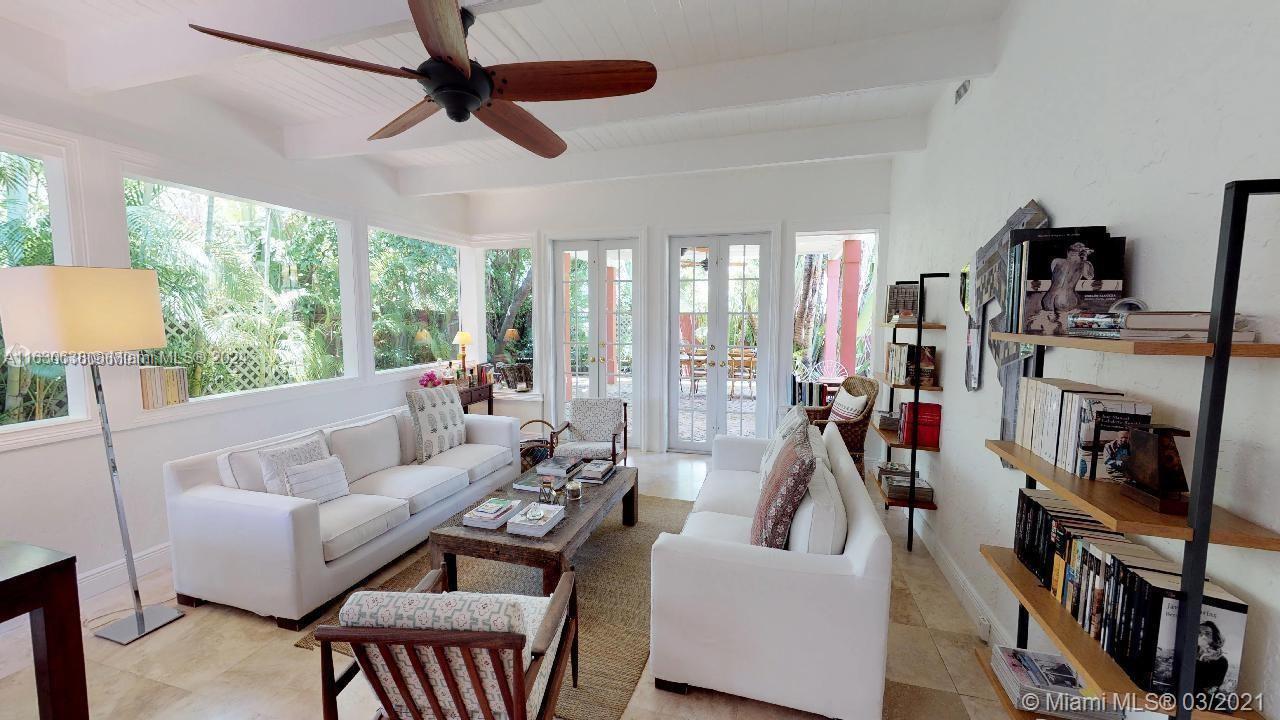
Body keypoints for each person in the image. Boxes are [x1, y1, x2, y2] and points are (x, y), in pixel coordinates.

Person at [1196, 621, 1230, 697]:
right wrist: (1201, 658)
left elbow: (1212, 690)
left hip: (1205, 702)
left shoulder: (1221, 661)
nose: (1202, 636)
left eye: (1207, 633)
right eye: (1199, 632)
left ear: (1214, 637)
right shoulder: (1190, 654)